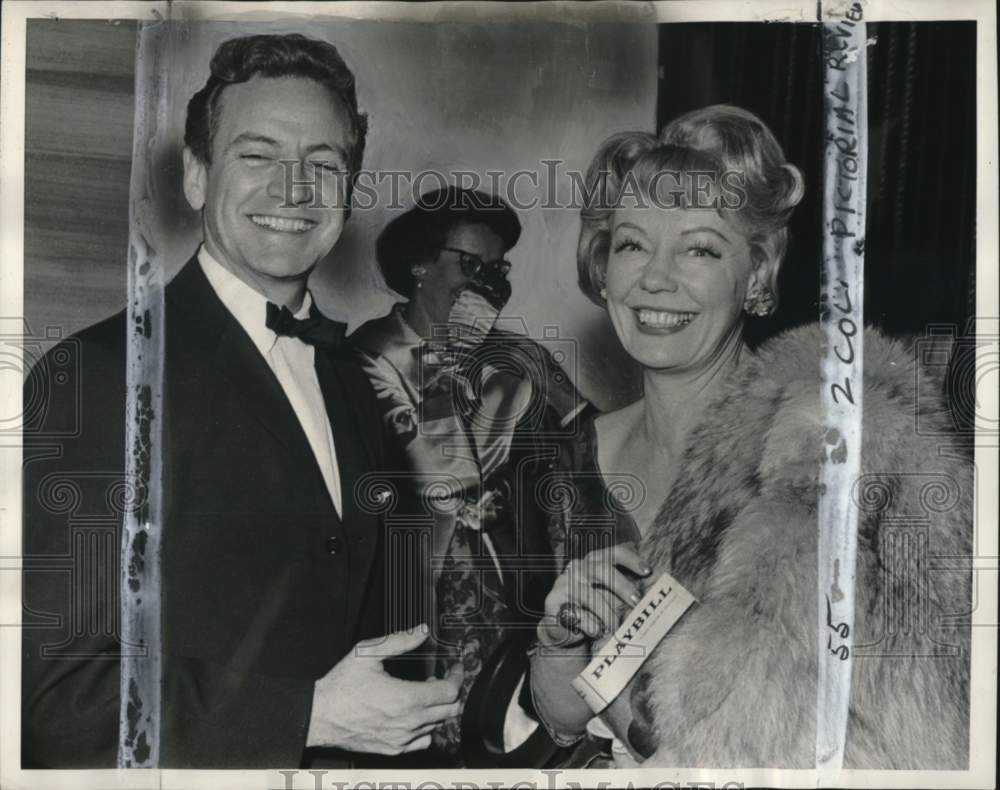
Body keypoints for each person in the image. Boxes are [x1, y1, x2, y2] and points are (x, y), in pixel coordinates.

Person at [21, 33, 460, 768]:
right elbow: (58, 698)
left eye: (323, 164)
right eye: (257, 157)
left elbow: (384, 651)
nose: (295, 190)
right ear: (196, 176)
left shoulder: (355, 382)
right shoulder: (99, 375)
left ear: (349, 192)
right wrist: (308, 715)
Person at [528, 104, 972, 768]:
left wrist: (637, 721)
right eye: (632, 243)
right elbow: (564, 719)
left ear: (757, 274)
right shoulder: (574, 454)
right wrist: (559, 639)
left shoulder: (829, 447)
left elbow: (908, 734)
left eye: (700, 248)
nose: (656, 277)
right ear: (603, 266)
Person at [350, 187, 590, 764]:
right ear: (420, 265)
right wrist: (455, 350)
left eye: (498, 270)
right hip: (411, 601)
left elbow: (594, 441)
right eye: (471, 265)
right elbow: (446, 477)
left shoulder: (508, 359)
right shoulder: (366, 357)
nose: (489, 284)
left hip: (514, 607)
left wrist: (544, 377)